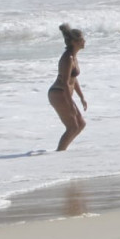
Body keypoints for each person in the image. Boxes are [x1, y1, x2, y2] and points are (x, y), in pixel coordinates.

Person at [48, 23, 88, 151]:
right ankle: (59, 153)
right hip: (59, 93)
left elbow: (73, 79)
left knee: (80, 124)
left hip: (64, 94)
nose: (84, 41)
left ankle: (61, 151)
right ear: (74, 42)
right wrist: (70, 103)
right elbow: (65, 82)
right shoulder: (68, 58)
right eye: (81, 39)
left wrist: (81, 97)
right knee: (72, 127)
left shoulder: (74, 57)